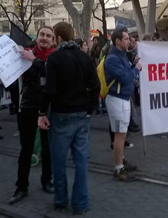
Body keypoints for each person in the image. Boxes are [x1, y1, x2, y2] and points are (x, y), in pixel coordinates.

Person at [38, 22, 98, 214]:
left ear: (59, 38)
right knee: (81, 162)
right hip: (82, 116)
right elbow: (95, 86)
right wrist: (91, 108)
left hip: (61, 116)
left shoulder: (54, 59)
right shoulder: (85, 57)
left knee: (59, 160)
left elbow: (50, 89)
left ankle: (61, 200)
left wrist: (41, 112)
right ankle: (80, 203)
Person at [8, 26, 57, 205]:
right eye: (42, 34)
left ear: (53, 40)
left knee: (47, 147)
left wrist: (34, 59)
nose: (44, 38)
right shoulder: (24, 55)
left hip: (48, 109)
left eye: (48, 36)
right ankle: (21, 186)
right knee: (26, 149)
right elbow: (13, 78)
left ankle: (47, 180)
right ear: (37, 37)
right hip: (28, 107)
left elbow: (51, 75)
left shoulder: (54, 58)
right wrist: (3, 75)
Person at [105, 28, 141, 181]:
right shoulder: (113, 58)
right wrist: (136, 69)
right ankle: (118, 167)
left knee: (122, 133)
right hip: (117, 99)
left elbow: (127, 73)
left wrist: (133, 66)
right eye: (126, 39)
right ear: (117, 41)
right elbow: (125, 78)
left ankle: (121, 160)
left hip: (123, 98)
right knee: (120, 134)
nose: (129, 41)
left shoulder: (121, 56)